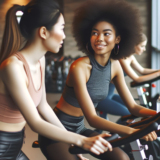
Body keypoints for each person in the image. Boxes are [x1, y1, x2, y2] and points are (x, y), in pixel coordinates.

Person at [38, 0, 158, 160]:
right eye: (95, 33)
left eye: (106, 33)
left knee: (121, 158)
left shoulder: (115, 66)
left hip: (79, 127)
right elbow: (93, 119)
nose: (99, 38)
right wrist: (133, 132)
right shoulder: (79, 67)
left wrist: (156, 115)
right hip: (57, 129)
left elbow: (133, 107)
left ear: (117, 39)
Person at [0, 0, 113, 160]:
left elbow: (43, 106)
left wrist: (71, 143)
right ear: (44, 32)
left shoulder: (40, 60)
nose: (64, 36)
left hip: (16, 145)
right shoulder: (13, 66)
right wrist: (81, 140)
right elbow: (35, 122)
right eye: (61, 28)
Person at [95, 33, 160, 133]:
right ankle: (116, 134)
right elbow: (137, 79)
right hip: (101, 97)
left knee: (101, 128)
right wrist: (158, 74)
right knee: (130, 113)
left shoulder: (131, 57)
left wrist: (158, 71)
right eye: (142, 46)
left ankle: (115, 134)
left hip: (110, 95)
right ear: (133, 44)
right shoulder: (123, 58)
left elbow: (142, 70)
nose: (144, 49)